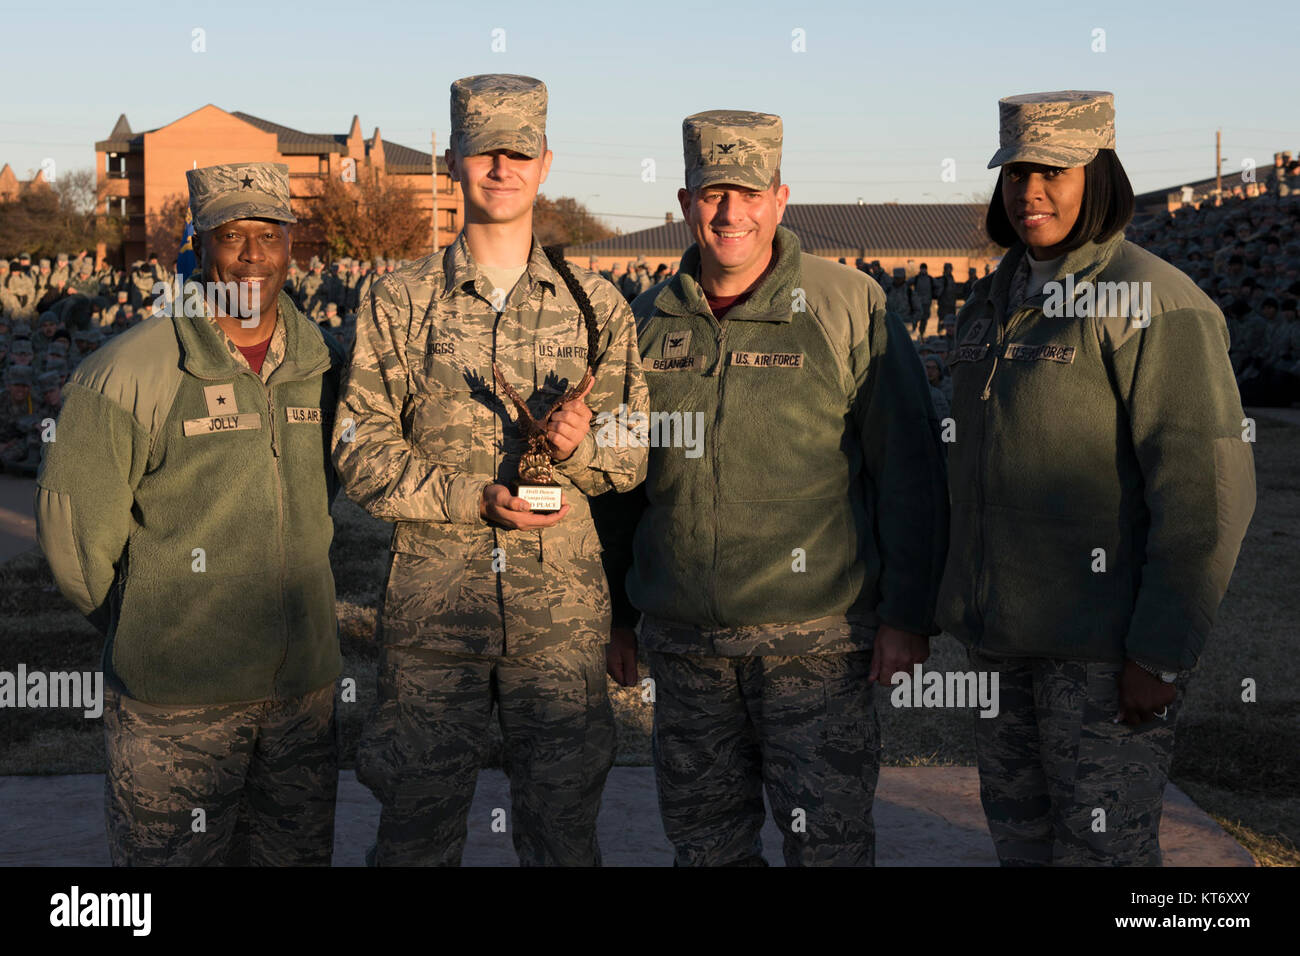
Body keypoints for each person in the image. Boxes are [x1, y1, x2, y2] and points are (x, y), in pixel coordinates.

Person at [594, 109, 949, 867]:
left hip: (814, 648)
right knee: (706, 849)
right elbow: (622, 486)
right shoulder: (646, 320)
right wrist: (619, 618)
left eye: (748, 193)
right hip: (686, 651)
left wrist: (908, 615)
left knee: (827, 848)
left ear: (781, 199)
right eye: (713, 193)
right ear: (686, 202)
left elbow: (908, 471)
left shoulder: (847, 305)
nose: (731, 213)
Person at [333, 73, 649, 867]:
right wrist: (468, 497)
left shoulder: (597, 308)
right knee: (414, 833)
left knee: (563, 836)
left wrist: (582, 448)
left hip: (561, 620)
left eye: (518, 153)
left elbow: (636, 450)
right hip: (436, 612)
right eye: (483, 153)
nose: (501, 169)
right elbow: (359, 448)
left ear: (546, 164)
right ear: (455, 165)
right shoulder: (400, 302)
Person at [938, 90, 1256, 866]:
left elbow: (1206, 494)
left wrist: (1161, 653)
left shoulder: (1152, 301)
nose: (1030, 191)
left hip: (1103, 658)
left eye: (1055, 171)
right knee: (1022, 842)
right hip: (1002, 646)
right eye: (1016, 172)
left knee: (1103, 853)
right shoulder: (993, 300)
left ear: (1100, 176)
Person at [35, 161, 347, 866]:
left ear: (291, 244)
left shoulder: (323, 364)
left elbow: (317, 494)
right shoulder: (131, 369)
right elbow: (74, 538)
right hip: (176, 710)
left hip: (301, 698)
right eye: (230, 235)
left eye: (268, 235)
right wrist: (155, 621)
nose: (251, 255)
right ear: (199, 245)